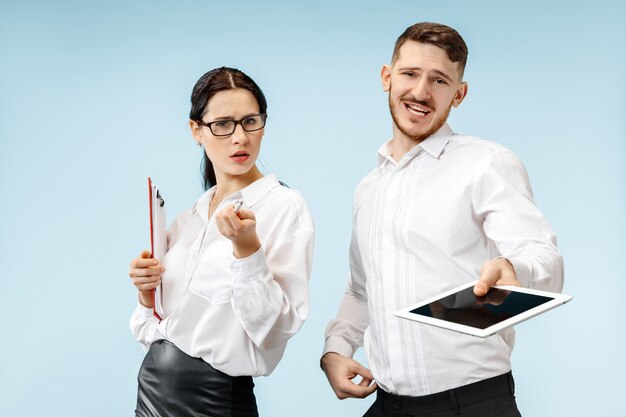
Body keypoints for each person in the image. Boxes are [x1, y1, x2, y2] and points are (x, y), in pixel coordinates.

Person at [321, 22, 563, 417]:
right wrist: (336, 349)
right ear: (387, 77)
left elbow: (545, 259)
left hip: (472, 405)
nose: (420, 92)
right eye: (410, 74)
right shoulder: (368, 188)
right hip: (388, 405)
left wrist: (514, 269)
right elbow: (361, 290)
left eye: (438, 80)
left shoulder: (486, 163)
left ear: (459, 93)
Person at [128, 67, 315, 417]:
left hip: (215, 403)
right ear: (196, 130)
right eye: (223, 124)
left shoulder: (283, 208)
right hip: (152, 395)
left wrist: (248, 252)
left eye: (250, 121)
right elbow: (155, 332)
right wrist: (146, 293)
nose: (240, 137)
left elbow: (275, 329)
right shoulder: (187, 220)